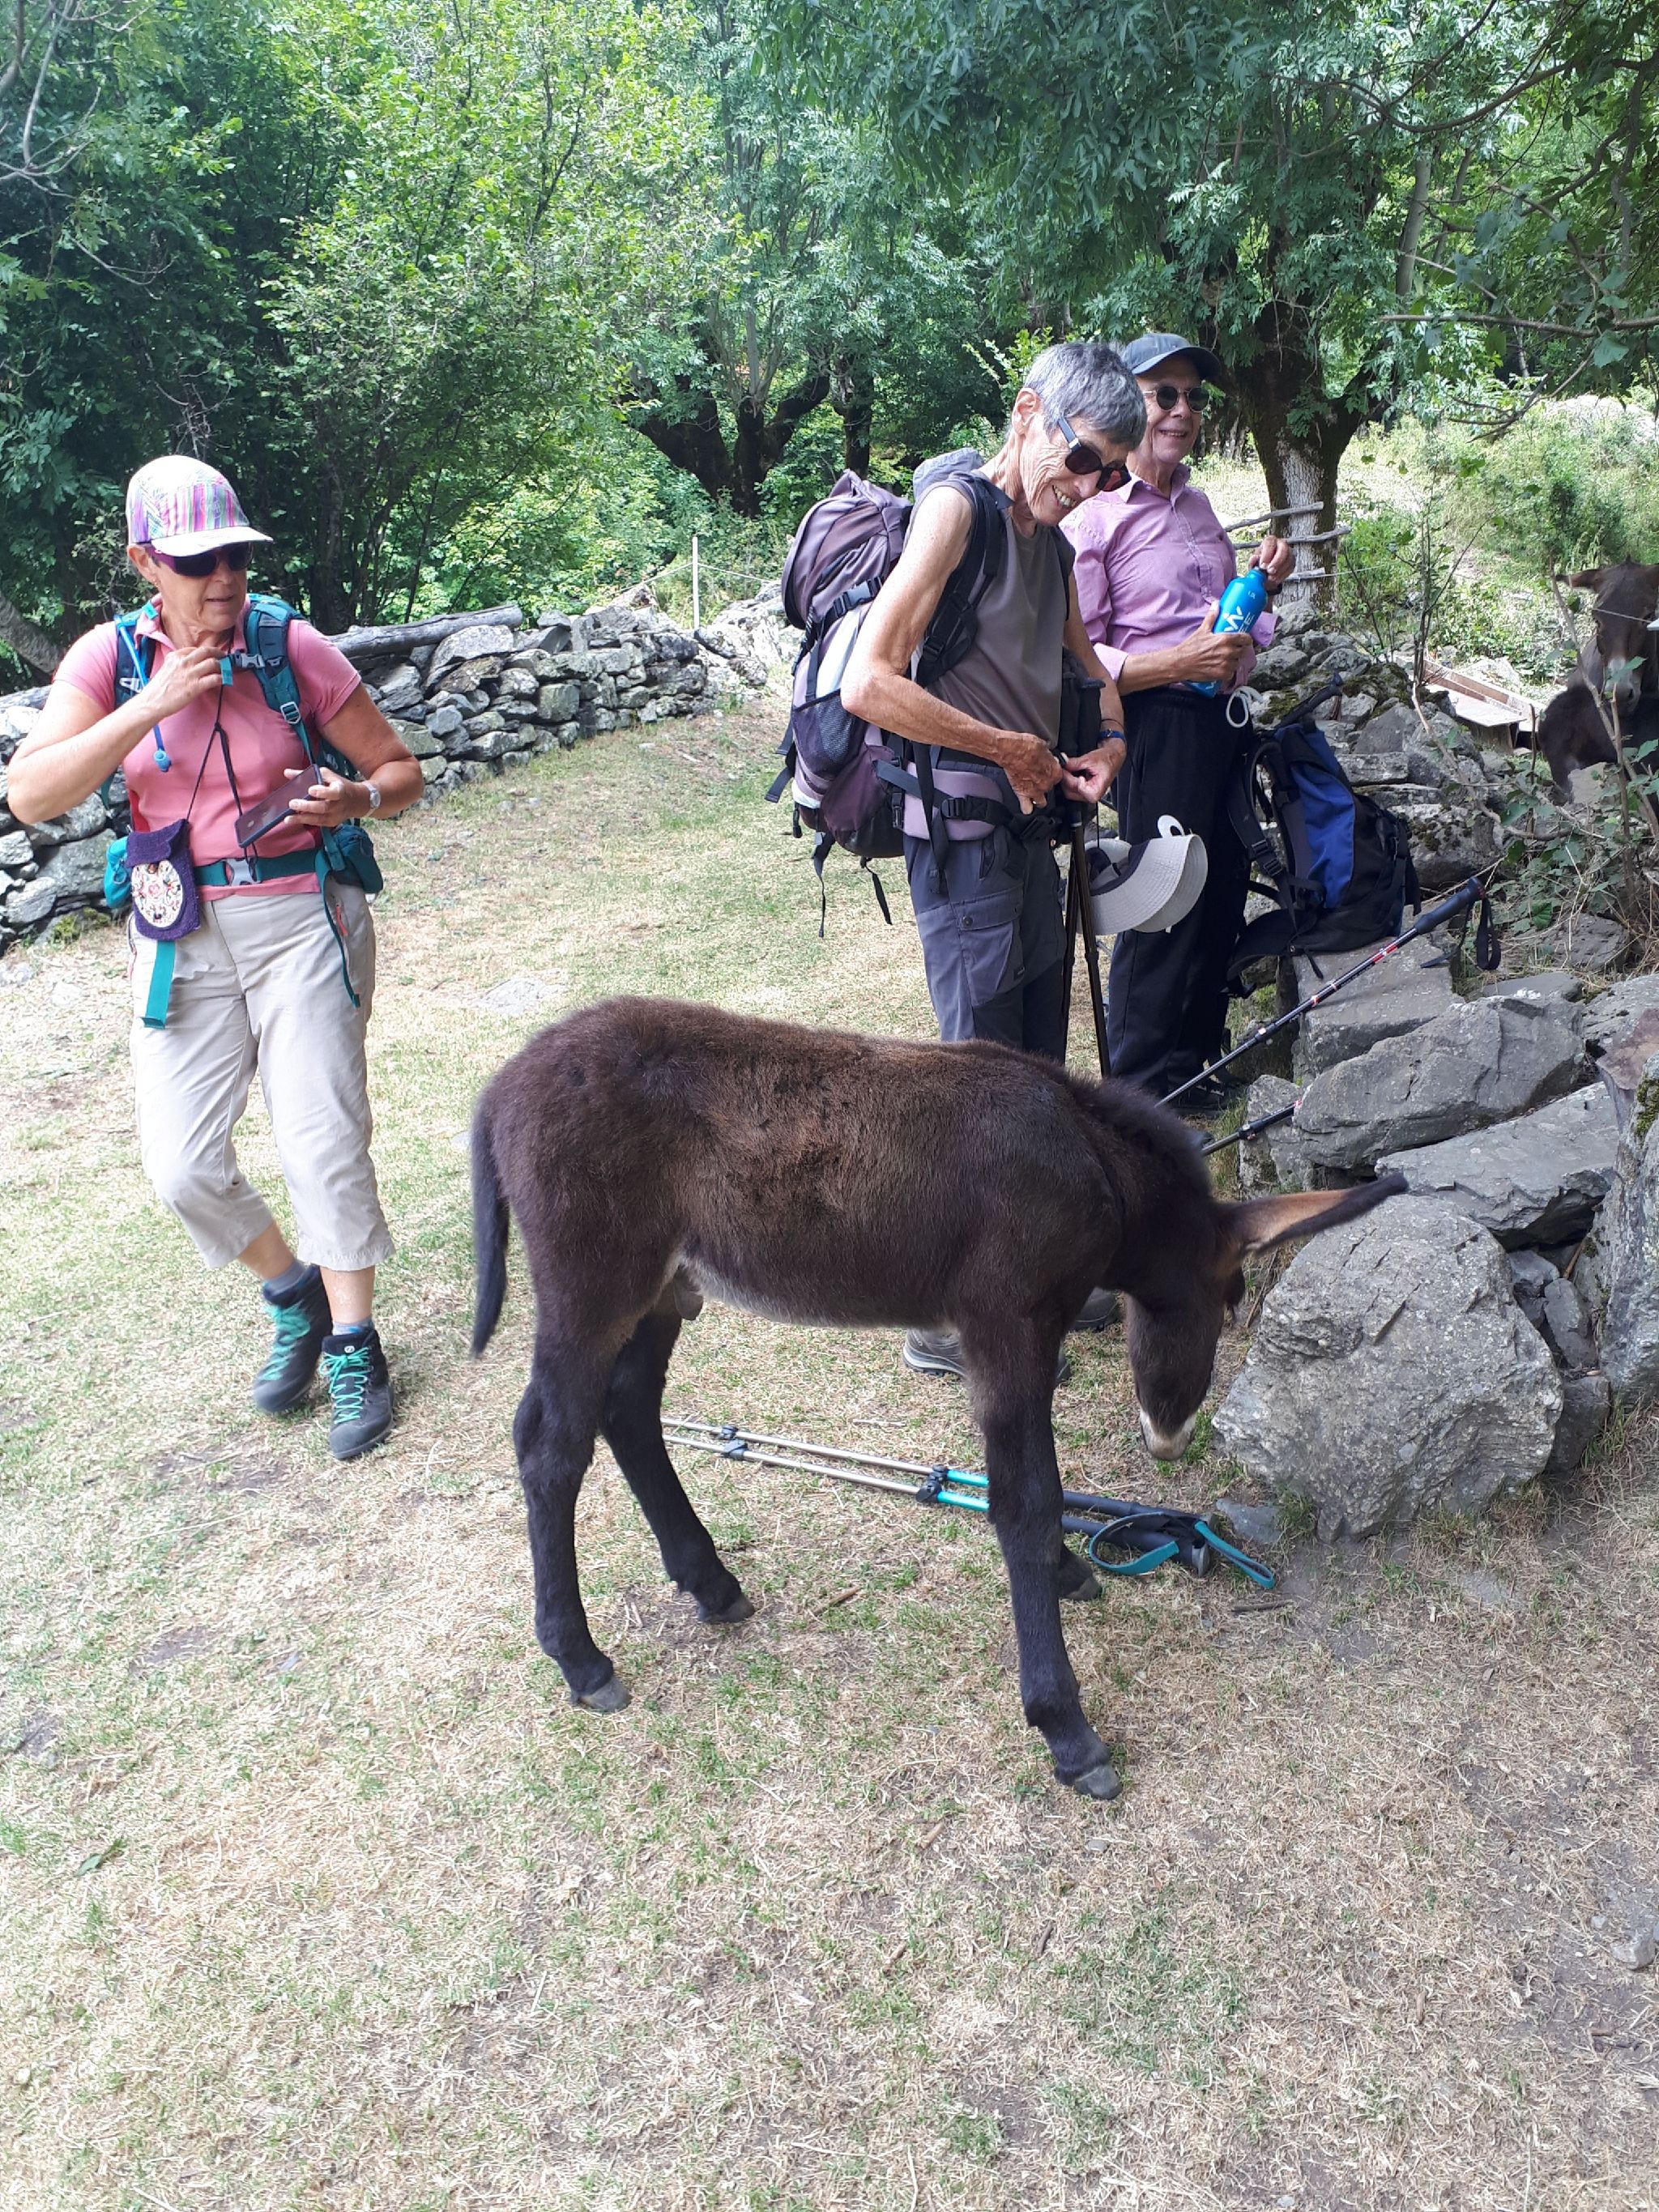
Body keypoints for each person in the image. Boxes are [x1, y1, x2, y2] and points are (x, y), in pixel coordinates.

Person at [8, 456, 421, 1458]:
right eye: (197, 561)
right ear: (145, 562)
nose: (224, 577)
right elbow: (31, 793)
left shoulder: (288, 646)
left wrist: (357, 799)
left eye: (234, 555)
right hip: (178, 930)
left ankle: (354, 1341)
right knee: (182, 1164)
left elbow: (399, 769)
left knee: (322, 1137)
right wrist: (151, 705)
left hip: (301, 916)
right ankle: (293, 1293)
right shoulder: (108, 661)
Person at [840, 340, 1144, 1377]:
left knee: (1032, 1075)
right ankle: (948, 1319)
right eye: (1082, 457)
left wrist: (1108, 745)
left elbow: (1094, 672)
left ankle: (1034, 1275)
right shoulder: (955, 513)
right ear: (1026, 414)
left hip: (1030, 835)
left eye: (1110, 474)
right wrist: (1003, 748)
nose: (1089, 485)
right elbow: (869, 683)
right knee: (972, 1086)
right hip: (960, 840)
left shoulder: (1050, 548)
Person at [1062, 334, 1298, 1108]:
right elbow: (1079, 654)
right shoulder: (1095, 518)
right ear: (1128, 403)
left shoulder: (1197, 506)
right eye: (1164, 394)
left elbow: (1228, 624)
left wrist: (1260, 590)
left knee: (1223, 888)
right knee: (1163, 901)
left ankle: (1193, 1068)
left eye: (1193, 397)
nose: (1182, 410)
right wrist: (1174, 663)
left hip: (1221, 723)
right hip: (1151, 723)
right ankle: (1135, 1095)